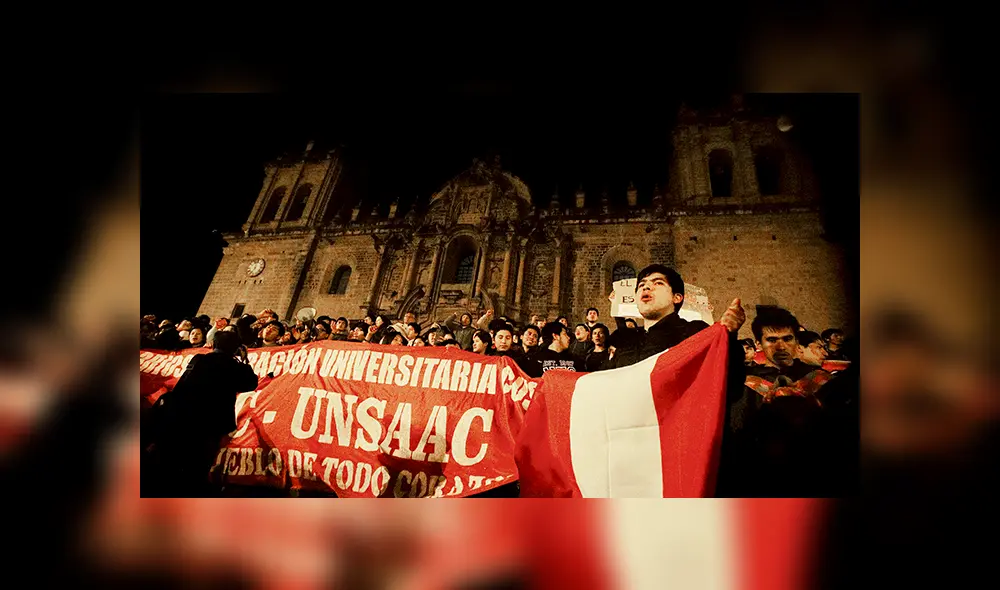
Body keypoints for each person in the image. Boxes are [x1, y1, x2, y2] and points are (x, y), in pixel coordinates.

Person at [147, 330, 259, 497]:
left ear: (213, 344)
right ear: (236, 349)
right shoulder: (234, 367)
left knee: (168, 469)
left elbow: (181, 388)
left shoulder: (199, 359)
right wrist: (244, 360)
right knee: (195, 472)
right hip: (210, 427)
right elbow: (250, 384)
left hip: (182, 421)